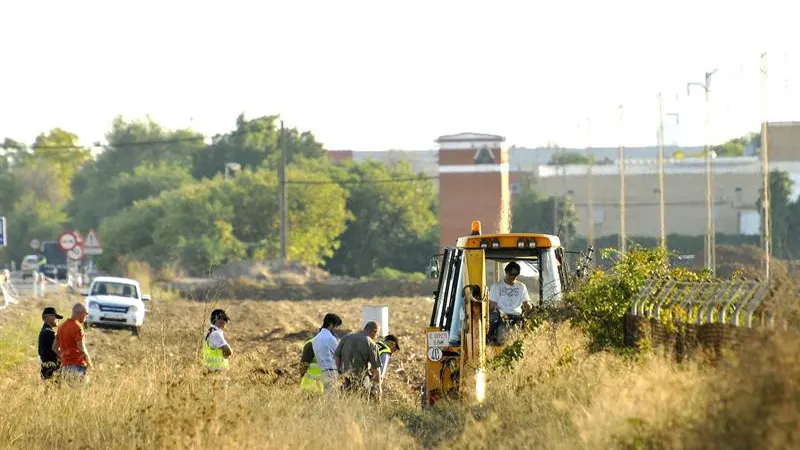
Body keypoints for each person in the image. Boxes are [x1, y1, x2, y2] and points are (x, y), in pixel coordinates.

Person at [335, 321, 382, 401]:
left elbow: (337, 357)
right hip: (362, 383)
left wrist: (340, 373)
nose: (376, 336)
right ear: (374, 331)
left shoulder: (346, 338)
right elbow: (376, 370)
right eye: (377, 334)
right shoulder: (371, 344)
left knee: (345, 406)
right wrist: (378, 388)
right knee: (361, 407)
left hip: (345, 380)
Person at [487, 261, 531, 343]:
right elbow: (492, 306)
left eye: (515, 275)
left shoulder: (522, 286)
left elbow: (526, 303)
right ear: (506, 272)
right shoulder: (496, 286)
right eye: (511, 274)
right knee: (493, 318)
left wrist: (528, 309)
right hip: (502, 317)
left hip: (517, 316)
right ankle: (490, 339)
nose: (513, 277)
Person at [300, 313, 342, 394]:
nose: (336, 329)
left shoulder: (315, 340)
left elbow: (302, 366)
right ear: (331, 324)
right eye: (336, 326)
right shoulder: (330, 338)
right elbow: (338, 355)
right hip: (328, 376)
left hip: (318, 381)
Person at [53, 303, 93, 385]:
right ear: (80, 313)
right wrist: (89, 363)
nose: (86, 316)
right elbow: (81, 348)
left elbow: (54, 347)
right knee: (81, 395)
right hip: (77, 367)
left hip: (65, 369)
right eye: (86, 314)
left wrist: (64, 358)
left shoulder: (62, 327)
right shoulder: (77, 327)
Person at [203, 309, 232, 373]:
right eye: (224, 319)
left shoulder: (210, 331)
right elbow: (228, 351)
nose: (226, 322)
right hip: (217, 372)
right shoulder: (216, 334)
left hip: (211, 370)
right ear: (217, 319)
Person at [38, 306, 63, 381]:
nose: (58, 320)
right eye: (56, 317)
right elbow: (56, 349)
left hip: (45, 369)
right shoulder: (49, 332)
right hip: (52, 371)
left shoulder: (43, 331)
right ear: (47, 317)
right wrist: (66, 361)